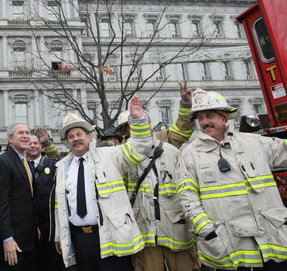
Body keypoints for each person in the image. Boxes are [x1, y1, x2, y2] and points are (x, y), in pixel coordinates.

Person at [175, 88, 287, 270]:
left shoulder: (254, 143)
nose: (205, 122)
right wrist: (207, 231)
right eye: (200, 118)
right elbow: (187, 197)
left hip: (269, 244)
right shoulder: (190, 155)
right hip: (230, 246)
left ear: (224, 118)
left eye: (209, 116)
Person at [54, 96, 152, 271]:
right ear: (67, 142)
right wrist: (59, 236)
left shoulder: (110, 154)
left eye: (79, 134)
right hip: (80, 240)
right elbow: (61, 206)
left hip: (109, 235)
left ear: (89, 136)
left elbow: (139, 150)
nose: (75, 139)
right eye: (71, 136)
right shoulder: (62, 167)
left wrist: (138, 120)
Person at [129, 114, 200, 271]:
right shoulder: (125, 157)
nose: (141, 126)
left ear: (150, 124)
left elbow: (187, 189)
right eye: (135, 123)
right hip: (145, 232)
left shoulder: (172, 152)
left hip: (175, 229)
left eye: (144, 122)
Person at [0, 123, 37, 271]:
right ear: (10, 138)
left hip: (29, 238)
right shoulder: (3, 162)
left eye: (27, 133)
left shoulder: (27, 162)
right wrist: (7, 238)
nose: (25, 136)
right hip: (11, 242)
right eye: (20, 133)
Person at [26, 134, 63, 271]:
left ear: (41, 147)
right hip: (30, 222)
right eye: (29, 143)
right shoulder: (21, 165)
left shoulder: (52, 164)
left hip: (51, 222)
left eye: (35, 143)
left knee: (53, 260)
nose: (33, 146)